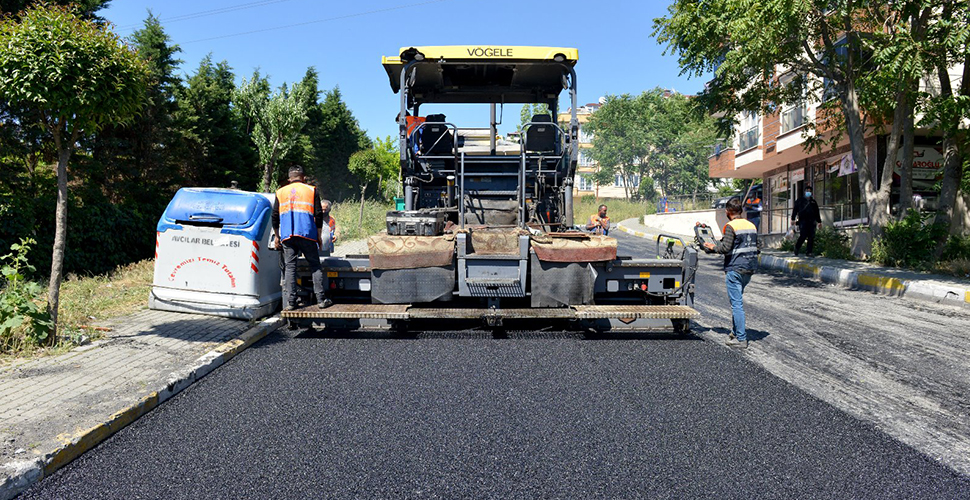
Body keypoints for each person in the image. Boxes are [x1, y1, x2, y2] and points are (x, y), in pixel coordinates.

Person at [272, 165, 332, 311]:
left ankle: (291, 302)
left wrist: (277, 236)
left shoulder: (280, 192)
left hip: (287, 236)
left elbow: (274, 216)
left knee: (290, 268)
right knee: (315, 265)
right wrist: (318, 235)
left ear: (289, 179)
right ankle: (321, 299)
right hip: (307, 234)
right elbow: (318, 214)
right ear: (303, 178)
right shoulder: (311, 190)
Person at [703, 197, 759, 349]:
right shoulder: (751, 225)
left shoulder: (730, 226)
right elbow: (756, 245)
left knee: (736, 304)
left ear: (728, 212)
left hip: (735, 268)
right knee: (738, 300)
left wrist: (712, 247)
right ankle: (735, 332)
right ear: (741, 211)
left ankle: (741, 338)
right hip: (750, 268)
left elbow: (725, 248)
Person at [791, 185, 822, 256]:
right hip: (803, 221)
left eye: (810, 191)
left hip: (812, 221)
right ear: (805, 192)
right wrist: (793, 219)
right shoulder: (799, 201)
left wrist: (819, 221)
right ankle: (797, 247)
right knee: (803, 235)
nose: (809, 192)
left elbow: (817, 212)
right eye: (807, 191)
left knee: (811, 236)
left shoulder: (813, 202)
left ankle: (809, 252)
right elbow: (795, 210)